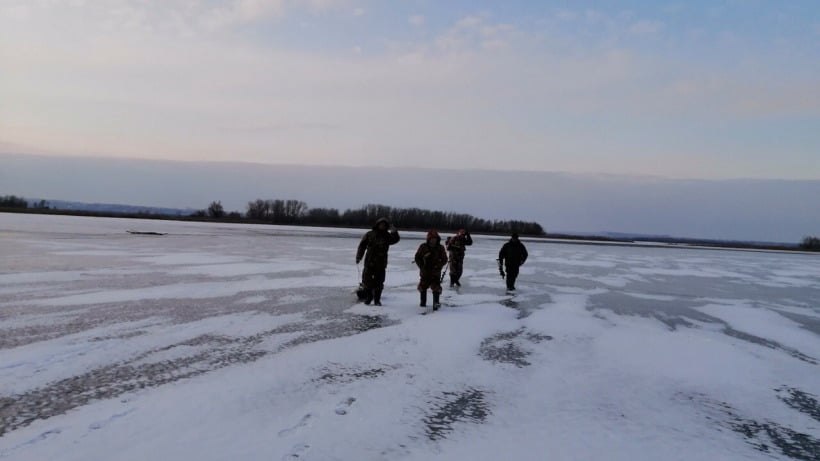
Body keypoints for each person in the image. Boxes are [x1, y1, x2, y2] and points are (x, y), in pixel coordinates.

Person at [355, 217, 400, 306]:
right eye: (381, 224)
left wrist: (394, 232)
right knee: (366, 280)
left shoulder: (387, 236)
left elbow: (395, 240)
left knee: (379, 282)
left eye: (384, 225)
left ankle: (377, 300)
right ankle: (369, 297)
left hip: (381, 263)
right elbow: (362, 246)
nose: (382, 226)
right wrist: (359, 256)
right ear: (377, 224)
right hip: (369, 261)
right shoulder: (369, 234)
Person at [414, 230, 448, 310]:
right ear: (428, 239)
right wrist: (421, 266)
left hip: (435, 272)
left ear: (437, 239)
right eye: (431, 238)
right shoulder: (423, 246)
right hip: (425, 271)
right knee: (422, 287)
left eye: (435, 238)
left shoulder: (440, 247)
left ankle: (436, 304)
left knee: (436, 287)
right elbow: (417, 257)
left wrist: (438, 266)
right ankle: (422, 304)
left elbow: (445, 259)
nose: (433, 240)